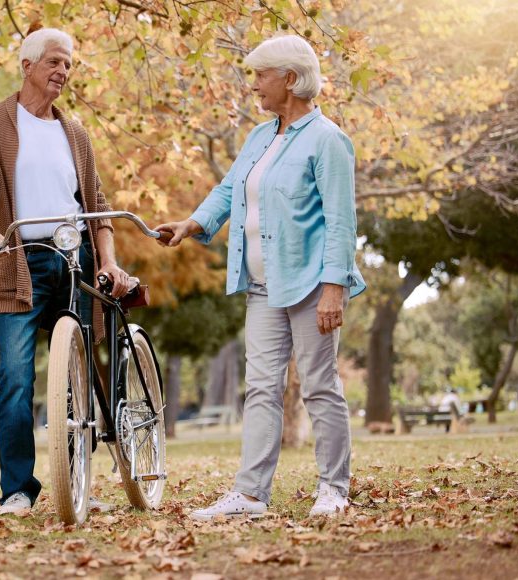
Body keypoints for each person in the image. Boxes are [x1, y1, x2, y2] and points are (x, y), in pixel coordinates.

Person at [156, 35, 367, 519]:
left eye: (260, 76)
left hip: (312, 285)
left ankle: (333, 489)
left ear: (289, 79)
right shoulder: (260, 136)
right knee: (262, 388)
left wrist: (335, 287)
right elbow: (230, 189)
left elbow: (340, 220)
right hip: (262, 287)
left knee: (318, 385)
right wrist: (194, 224)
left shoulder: (327, 139)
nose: (254, 86)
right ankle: (250, 494)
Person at [0, 28, 131, 516]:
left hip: (72, 260)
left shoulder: (75, 132)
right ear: (27, 65)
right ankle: (17, 488)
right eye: (55, 62)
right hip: (17, 260)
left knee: (76, 377)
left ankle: (78, 484)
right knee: (16, 377)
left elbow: (96, 206)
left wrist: (110, 262)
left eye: (69, 65)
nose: (63, 72)